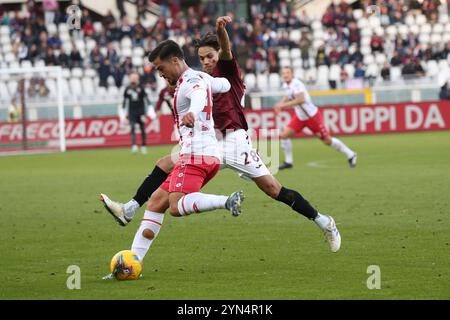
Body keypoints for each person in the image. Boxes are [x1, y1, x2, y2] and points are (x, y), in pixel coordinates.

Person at [101, 17, 341, 253]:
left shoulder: (228, 70)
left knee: (273, 189)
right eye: (202, 57)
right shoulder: (202, 79)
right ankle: (130, 210)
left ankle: (324, 222)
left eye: (210, 56)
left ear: (219, 55)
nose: (206, 61)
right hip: (208, 145)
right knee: (162, 186)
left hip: (235, 143)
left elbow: (225, 48)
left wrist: (220, 30)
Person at [103, 39, 244, 267]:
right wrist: (219, 84)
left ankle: (226, 201)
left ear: (176, 60)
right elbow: (225, 86)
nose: (160, 74)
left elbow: (198, 95)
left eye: (161, 68)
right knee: (156, 203)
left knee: (177, 206)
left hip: (194, 156)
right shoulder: (199, 77)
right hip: (209, 156)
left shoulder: (190, 82)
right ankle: (132, 262)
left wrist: (194, 111)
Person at [274, 67, 357, 170]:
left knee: (327, 140)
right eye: (283, 73)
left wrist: (282, 106)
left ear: (292, 74)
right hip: (300, 117)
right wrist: (280, 104)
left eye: (288, 72)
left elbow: (301, 100)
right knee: (284, 135)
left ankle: (351, 154)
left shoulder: (297, 84)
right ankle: (288, 162)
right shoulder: (286, 85)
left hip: (312, 117)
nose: (285, 75)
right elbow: (287, 96)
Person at [122, 73, 150, 154]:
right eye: (132, 78)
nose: (133, 79)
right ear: (130, 79)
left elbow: (146, 100)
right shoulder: (127, 89)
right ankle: (134, 145)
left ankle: (144, 146)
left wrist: (145, 113)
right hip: (132, 112)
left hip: (141, 112)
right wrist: (125, 113)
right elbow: (125, 101)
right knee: (133, 128)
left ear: (137, 78)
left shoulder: (141, 88)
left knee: (142, 129)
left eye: (135, 77)